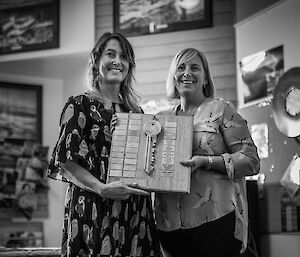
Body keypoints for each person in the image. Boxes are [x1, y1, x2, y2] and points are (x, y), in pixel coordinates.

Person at [47, 32, 162, 257]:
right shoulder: (79, 104)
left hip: (134, 213)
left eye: (124, 57)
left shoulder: (136, 112)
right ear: (96, 61)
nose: (118, 61)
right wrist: (101, 188)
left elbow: (149, 160)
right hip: (92, 211)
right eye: (111, 54)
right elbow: (65, 162)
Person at [154, 48, 260, 257]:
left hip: (215, 222)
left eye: (195, 68)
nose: (187, 73)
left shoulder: (221, 109)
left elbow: (251, 161)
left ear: (205, 78)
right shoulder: (159, 119)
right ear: (173, 77)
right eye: (181, 67)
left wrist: (207, 161)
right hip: (168, 228)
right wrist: (120, 128)